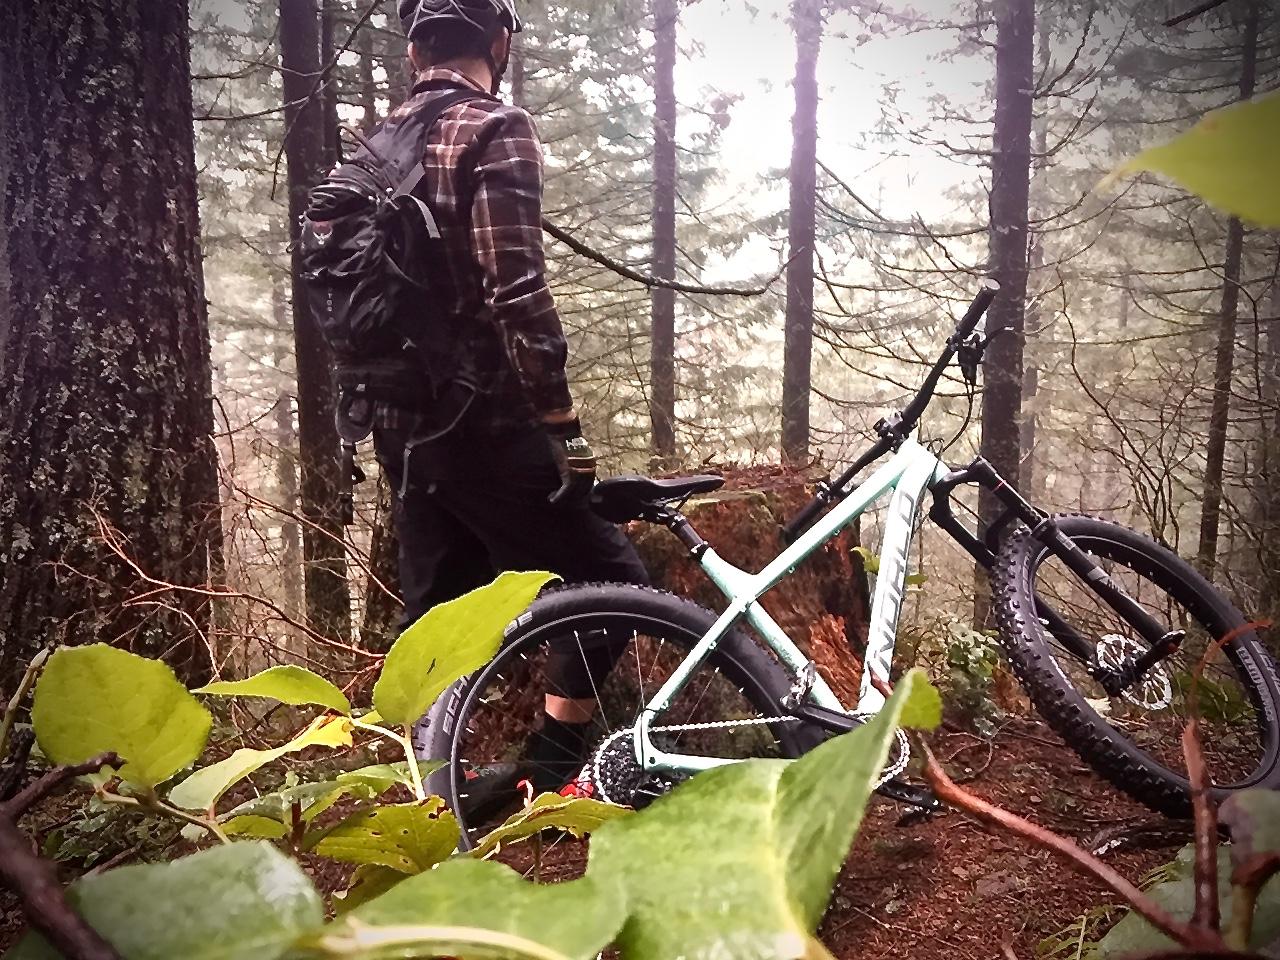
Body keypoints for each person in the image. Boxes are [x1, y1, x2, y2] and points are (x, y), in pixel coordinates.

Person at [375, 0, 649, 796]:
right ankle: (553, 766)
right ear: (498, 42)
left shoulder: (372, 147)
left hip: (403, 429)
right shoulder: (494, 129)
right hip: (486, 422)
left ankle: (431, 804)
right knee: (613, 581)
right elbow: (519, 295)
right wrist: (565, 433)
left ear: (415, 46)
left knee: (432, 618)